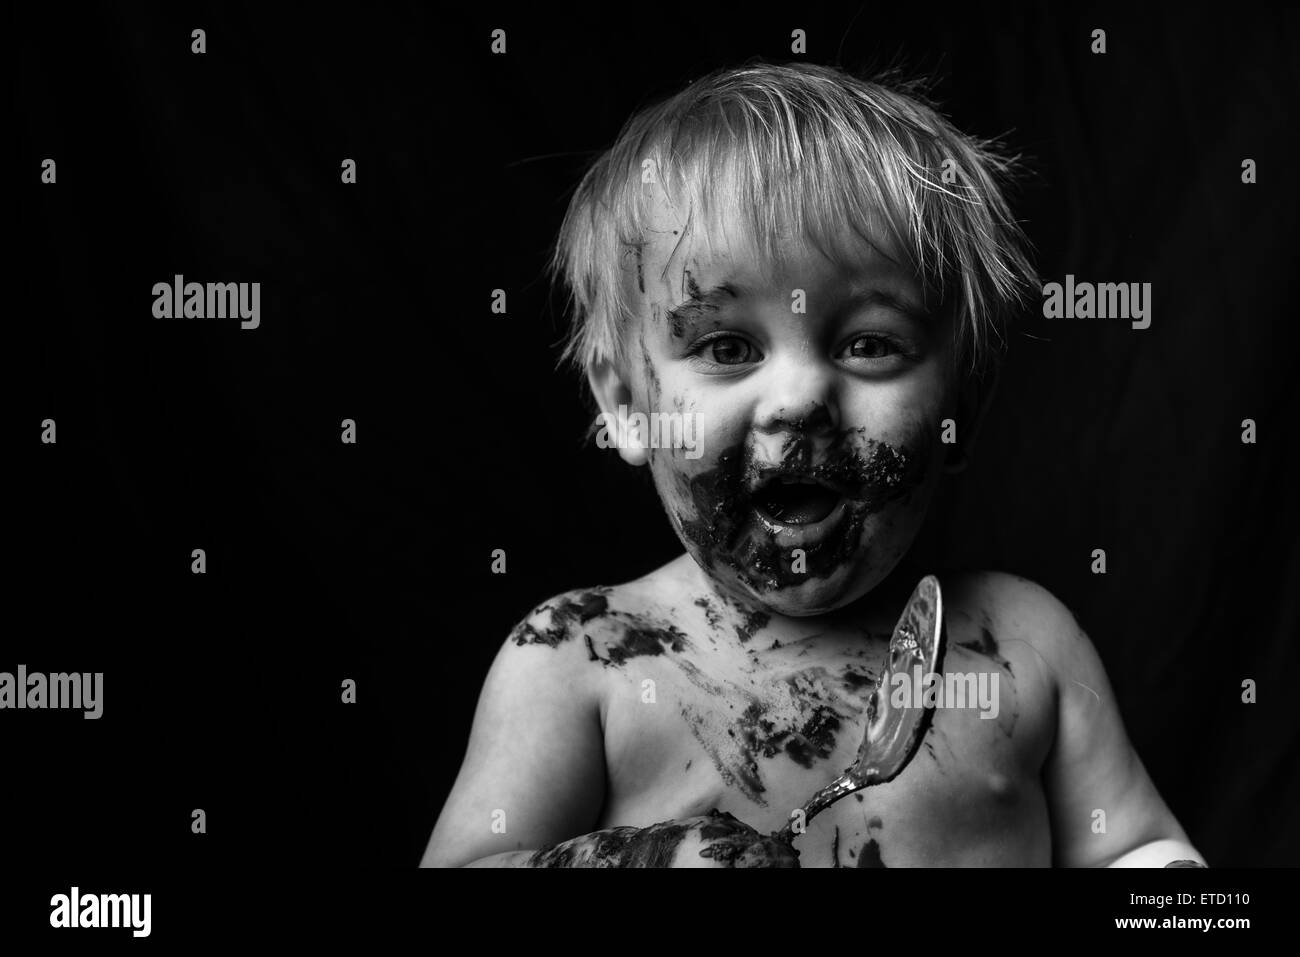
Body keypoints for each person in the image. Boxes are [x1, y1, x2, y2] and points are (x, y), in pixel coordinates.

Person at [422, 62, 1205, 868]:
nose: (799, 399)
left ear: (960, 408)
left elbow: (1144, 855)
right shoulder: (582, 663)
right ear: (626, 405)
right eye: (727, 347)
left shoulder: (1024, 647)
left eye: (868, 344)